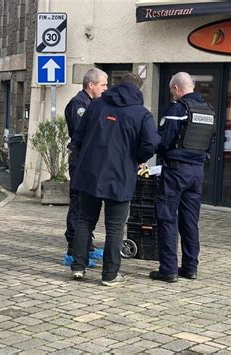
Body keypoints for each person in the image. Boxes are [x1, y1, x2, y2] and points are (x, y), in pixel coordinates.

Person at [70, 73, 160, 286]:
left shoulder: (97, 105)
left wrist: (87, 156)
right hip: (120, 175)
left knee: (85, 220)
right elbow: (152, 143)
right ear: (140, 89)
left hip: (90, 173)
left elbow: (78, 136)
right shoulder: (141, 113)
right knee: (115, 226)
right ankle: (109, 275)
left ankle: (78, 266)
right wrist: (137, 158)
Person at [150, 72, 215, 282]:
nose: (173, 95)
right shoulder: (209, 111)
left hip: (176, 171)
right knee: (190, 221)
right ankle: (190, 267)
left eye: (172, 91)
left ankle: (168, 270)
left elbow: (163, 141)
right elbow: (211, 142)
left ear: (177, 89)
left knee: (167, 218)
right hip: (197, 172)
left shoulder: (177, 110)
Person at [62, 68, 108, 267]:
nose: (106, 89)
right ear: (91, 85)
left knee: (88, 206)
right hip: (80, 161)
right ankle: (74, 248)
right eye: (103, 85)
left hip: (88, 161)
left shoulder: (91, 104)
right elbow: (87, 133)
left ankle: (86, 245)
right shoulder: (79, 105)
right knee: (79, 204)